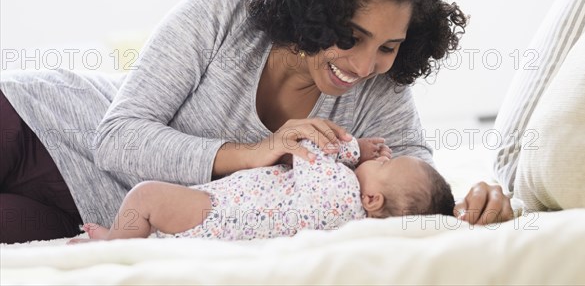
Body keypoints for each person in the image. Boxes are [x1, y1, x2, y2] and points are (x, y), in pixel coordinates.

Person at [0, 0, 514, 244]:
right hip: (37, 121)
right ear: (313, 13)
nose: (363, 65)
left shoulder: (379, 85)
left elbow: (409, 180)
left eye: (388, 45)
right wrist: (252, 153)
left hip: (93, 211)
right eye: (350, 37)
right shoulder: (227, 9)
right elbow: (116, 138)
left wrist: (471, 201)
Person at [68, 136, 455, 242]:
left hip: (216, 212)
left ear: (372, 198)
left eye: (385, 165)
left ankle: (115, 244)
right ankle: (128, 237)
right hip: (225, 217)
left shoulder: (340, 188)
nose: (380, 159)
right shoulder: (347, 220)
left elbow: (307, 149)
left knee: (145, 196)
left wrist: (355, 149)